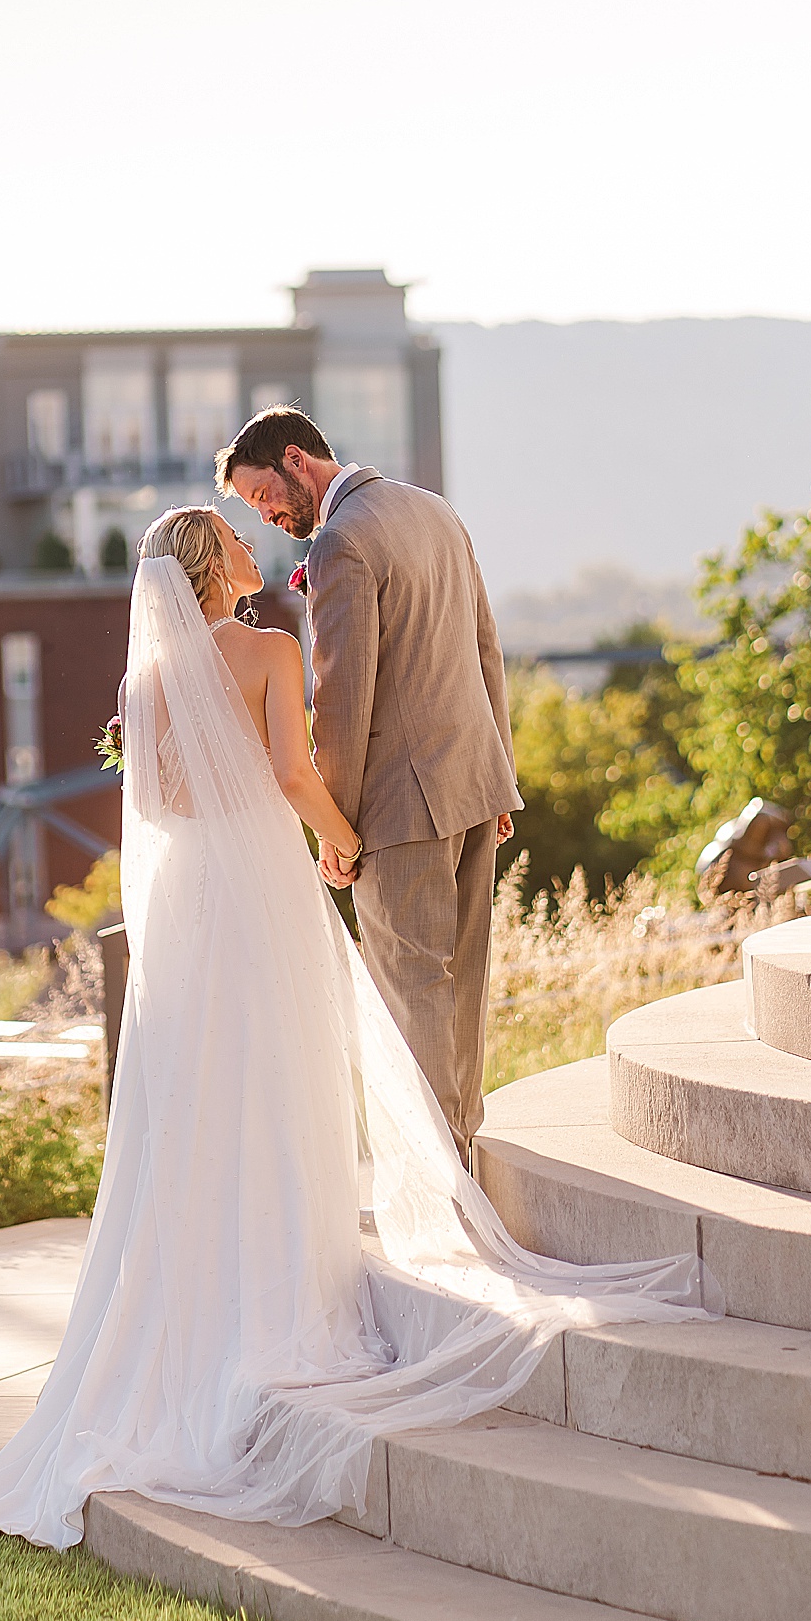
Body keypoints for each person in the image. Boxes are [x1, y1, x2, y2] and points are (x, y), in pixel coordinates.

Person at [0, 507, 716, 1553]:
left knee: (202, 1097)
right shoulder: (264, 645)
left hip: (193, 904)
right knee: (284, 1079)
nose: (257, 547)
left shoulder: (143, 682)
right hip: (260, 885)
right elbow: (295, 773)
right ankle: (284, 1297)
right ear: (215, 566)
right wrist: (343, 845)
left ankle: (198, 1316)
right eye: (236, 537)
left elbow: (161, 801)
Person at [221, 407, 518, 1166]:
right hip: (474, 784)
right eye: (254, 511)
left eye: (263, 496)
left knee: (409, 991)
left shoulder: (340, 542)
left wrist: (337, 829)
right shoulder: (433, 510)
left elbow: (342, 699)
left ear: (297, 459)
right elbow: (487, 649)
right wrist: (500, 776)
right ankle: (461, 1157)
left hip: (399, 804)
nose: (268, 515)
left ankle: (436, 1178)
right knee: (461, 985)